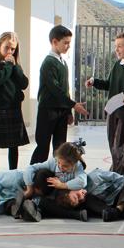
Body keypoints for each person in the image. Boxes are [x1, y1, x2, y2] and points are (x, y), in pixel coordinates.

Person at [31, 25, 87, 164]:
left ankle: (57, 177)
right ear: (55, 42)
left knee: (60, 147)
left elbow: (65, 89)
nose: (68, 46)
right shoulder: (48, 63)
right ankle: (32, 179)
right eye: (65, 43)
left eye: (69, 43)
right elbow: (55, 89)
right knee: (42, 146)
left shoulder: (63, 63)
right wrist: (74, 105)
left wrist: (68, 111)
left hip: (61, 112)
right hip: (48, 111)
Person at [87, 32, 124, 176]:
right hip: (112, 110)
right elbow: (109, 84)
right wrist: (94, 82)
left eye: (120, 46)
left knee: (118, 146)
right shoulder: (117, 65)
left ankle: (114, 176)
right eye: (116, 46)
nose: (116, 49)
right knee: (112, 145)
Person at [0, 31, 30, 179]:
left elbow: (24, 83)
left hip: (14, 108)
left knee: (13, 146)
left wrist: (15, 67)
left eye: (13, 49)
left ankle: (12, 178)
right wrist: (9, 66)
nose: (10, 51)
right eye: (7, 48)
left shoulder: (15, 65)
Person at [50, 168, 124, 221]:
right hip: (105, 208)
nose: (82, 197)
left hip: (120, 198)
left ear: (72, 189)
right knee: (88, 199)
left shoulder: (95, 176)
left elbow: (121, 179)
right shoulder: (86, 200)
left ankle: (118, 211)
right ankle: (121, 213)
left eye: (77, 195)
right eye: (79, 201)